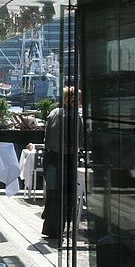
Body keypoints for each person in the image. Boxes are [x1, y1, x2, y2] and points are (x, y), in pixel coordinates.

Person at [41, 86, 81, 241]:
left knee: (53, 194)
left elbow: (47, 138)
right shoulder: (75, 117)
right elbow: (77, 141)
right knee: (66, 195)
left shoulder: (53, 113)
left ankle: (50, 228)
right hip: (66, 159)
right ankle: (60, 228)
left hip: (51, 158)